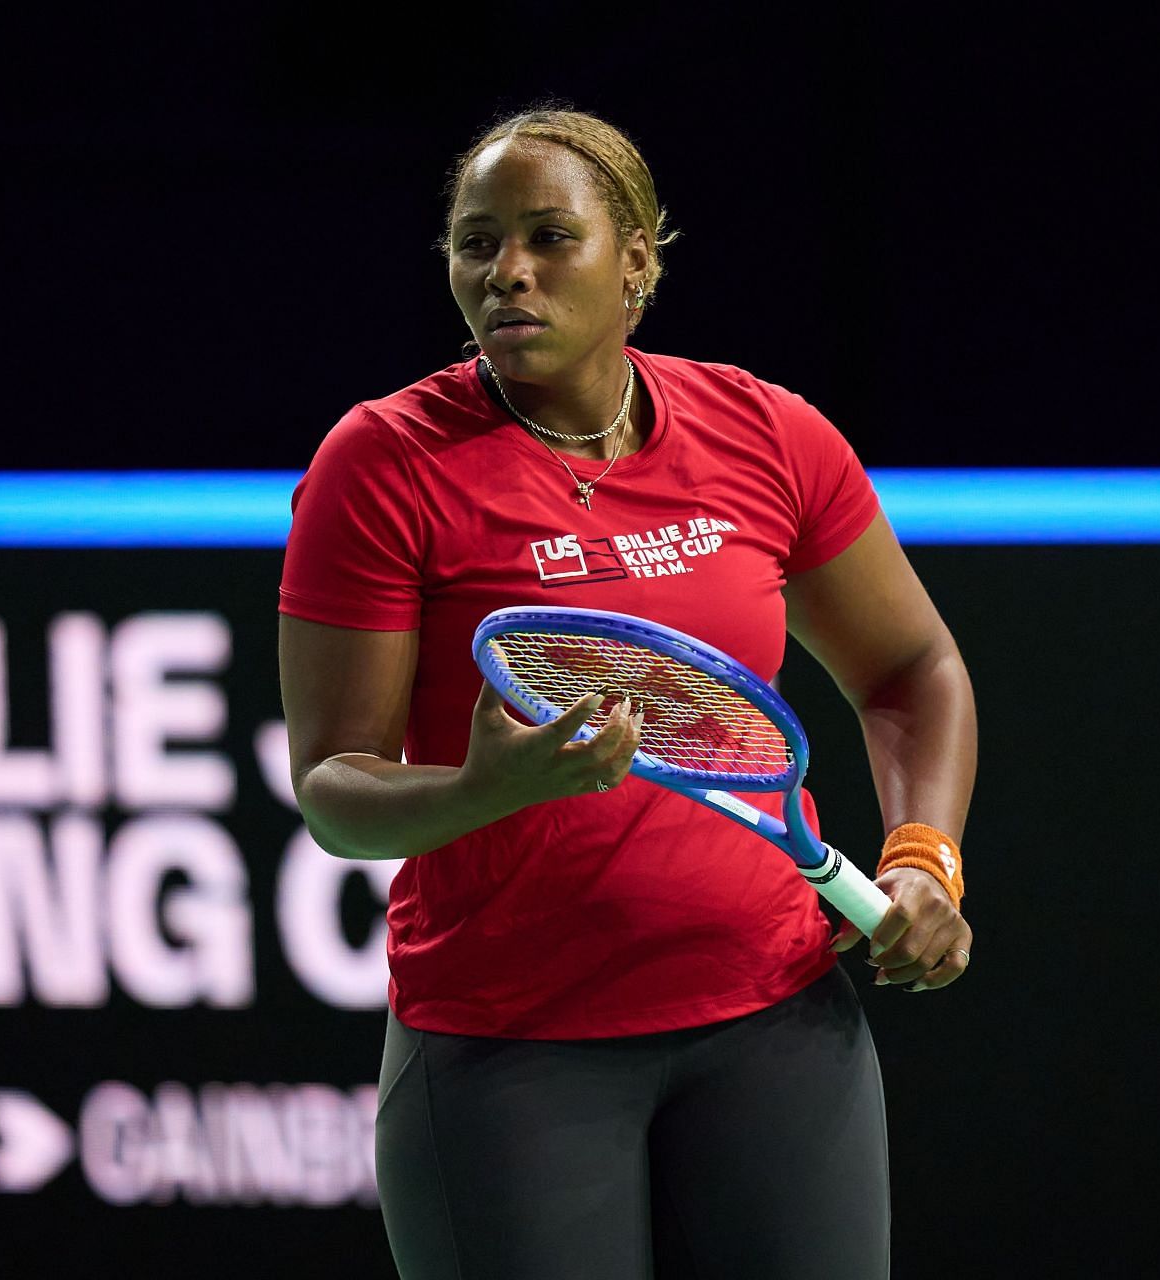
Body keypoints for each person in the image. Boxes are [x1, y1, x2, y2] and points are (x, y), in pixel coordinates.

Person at [278, 107, 976, 1280]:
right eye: (476, 242)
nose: (507, 271)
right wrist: (481, 788)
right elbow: (336, 792)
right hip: (510, 1056)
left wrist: (924, 853)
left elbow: (914, 671)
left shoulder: (767, 433)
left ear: (638, 259)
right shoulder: (383, 462)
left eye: (550, 236)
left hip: (778, 1028)